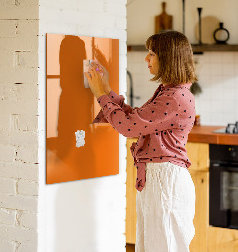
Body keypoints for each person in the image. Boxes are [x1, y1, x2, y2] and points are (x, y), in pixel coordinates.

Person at [84, 30, 198, 252]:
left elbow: (128, 127)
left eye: (152, 53)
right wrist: (107, 90)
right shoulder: (170, 92)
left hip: (165, 181)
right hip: (159, 179)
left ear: (168, 58)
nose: (146, 59)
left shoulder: (174, 97)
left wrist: (100, 94)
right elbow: (136, 120)